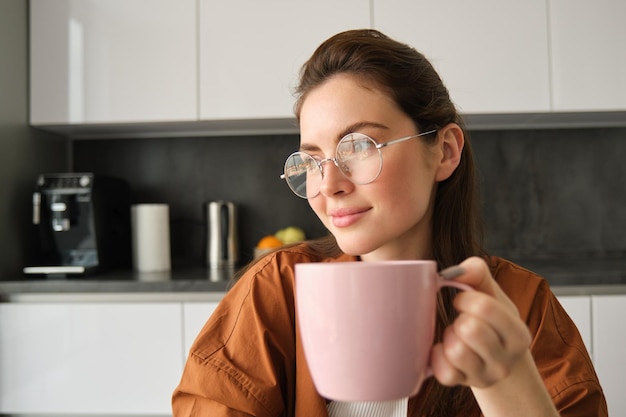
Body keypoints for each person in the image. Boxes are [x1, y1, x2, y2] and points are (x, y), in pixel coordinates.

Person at [172, 29, 607, 417]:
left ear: (445, 151)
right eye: (312, 159)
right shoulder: (275, 291)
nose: (329, 184)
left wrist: (508, 385)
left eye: (358, 145)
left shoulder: (521, 308)